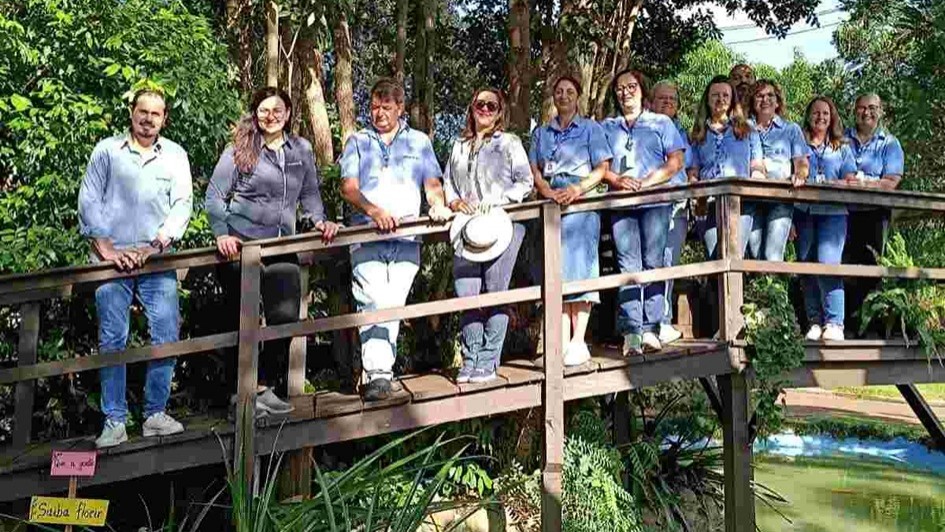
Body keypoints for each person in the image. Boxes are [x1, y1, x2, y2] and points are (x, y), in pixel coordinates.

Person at [206, 87, 339, 415]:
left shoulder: (301, 149)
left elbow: (309, 193)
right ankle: (238, 396)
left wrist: (319, 220)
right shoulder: (240, 148)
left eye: (277, 110)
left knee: (286, 318)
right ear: (255, 114)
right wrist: (222, 234)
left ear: (288, 113)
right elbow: (215, 195)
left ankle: (263, 387)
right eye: (264, 110)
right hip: (241, 245)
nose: (271, 116)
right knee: (241, 320)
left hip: (282, 244)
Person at [78, 89, 192, 448]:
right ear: (131, 112)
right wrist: (107, 249)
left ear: (164, 118)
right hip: (110, 262)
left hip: (155, 258)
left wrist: (154, 246)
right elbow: (89, 200)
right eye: (142, 111)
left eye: (155, 114)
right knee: (113, 338)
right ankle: (114, 420)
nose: (148, 119)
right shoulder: (107, 151)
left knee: (167, 332)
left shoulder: (175, 155)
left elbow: (182, 205)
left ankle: (155, 414)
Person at [340, 78, 451, 400]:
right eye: (374, 107)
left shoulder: (419, 142)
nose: (379, 113)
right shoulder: (358, 141)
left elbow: (432, 183)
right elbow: (348, 188)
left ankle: (380, 372)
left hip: (407, 237)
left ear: (400, 108)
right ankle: (378, 375)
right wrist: (374, 211)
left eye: (386, 107)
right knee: (372, 300)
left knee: (392, 303)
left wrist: (437, 205)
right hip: (366, 234)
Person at [443, 88, 533, 383]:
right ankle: (470, 358)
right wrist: (454, 202)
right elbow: (448, 184)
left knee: (496, 290)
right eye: (479, 104)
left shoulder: (509, 143)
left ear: (499, 112)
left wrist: (497, 200)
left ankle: (488, 359)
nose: (484, 109)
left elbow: (526, 182)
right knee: (466, 290)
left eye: (491, 106)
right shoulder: (459, 145)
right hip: (467, 227)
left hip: (503, 224)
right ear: (471, 108)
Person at [529, 75, 612, 366]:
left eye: (569, 92)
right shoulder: (541, 133)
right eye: (559, 91)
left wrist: (577, 189)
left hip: (581, 198)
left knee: (581, 267)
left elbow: (602, 168)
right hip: (551, 200)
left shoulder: (590, 128)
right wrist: (547, 191)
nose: (563, 96)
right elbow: (535, 169)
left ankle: (579, 340)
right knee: (557, 269)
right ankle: (561, 341)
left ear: (578, 97)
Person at [601, 71, 685, 355]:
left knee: (653, 262)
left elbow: (676, 162)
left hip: (655, 201)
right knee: (628, 265)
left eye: (632, 86)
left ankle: (651, 327)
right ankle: (631, 331)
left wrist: (646, 183)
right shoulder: (607, 127)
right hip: (621, 204)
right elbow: (599, 166)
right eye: (620, 88)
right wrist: (617, 181)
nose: (625, 92)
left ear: (642, 91)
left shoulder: (660, 122)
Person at [842, 93, 904, 335]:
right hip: (843, 212)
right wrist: (865, 181)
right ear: (854, 111)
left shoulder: (889, 143)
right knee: (843, 266)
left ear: (880, 111)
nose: (866, 112)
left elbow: (891, 181)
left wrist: (863, 183)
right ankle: (845, 325)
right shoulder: (842, 138)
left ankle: (869, 327)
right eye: (861, 107)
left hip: (875, 214)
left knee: (873, 268)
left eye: (872, 107)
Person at [796, 96, 856, 342]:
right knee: (806, 266)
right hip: (803, 213)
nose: (820, 117)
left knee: (828, 263)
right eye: (816, 112)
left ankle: (834, 322)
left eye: (825, 113)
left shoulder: (842, 147)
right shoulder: (799, 143)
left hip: (833, 213)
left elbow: (850, 178)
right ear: (808, 116)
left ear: (832, 118)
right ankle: (814, 321)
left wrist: (831, 184)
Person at [688, 75, 765, 259]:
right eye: (715, 95)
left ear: (732, 100)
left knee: (733, 254)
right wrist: (694, 192)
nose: (720, 99)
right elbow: (694, 170)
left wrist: (756, 179)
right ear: (707, 99)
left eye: (725, 95)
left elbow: (757, 164)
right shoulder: (698, 133)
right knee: (714, 257)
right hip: (708, 202)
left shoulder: (747, 128)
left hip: (741, 201)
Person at [747, 80, 809, 261]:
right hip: (751, 199)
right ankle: (762, 281)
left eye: (770, 95)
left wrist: (800, 174)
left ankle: (772, 280)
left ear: (778, 101)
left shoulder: (791, 129)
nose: (765, 100)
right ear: (752, 101)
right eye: (759, 96)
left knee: (772, 255)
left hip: (781, 198)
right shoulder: (745, 128)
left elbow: (801, 162)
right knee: (755, 254)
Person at [650, 81, 691, 345]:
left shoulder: (682, 133)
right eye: (662, 98)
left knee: (669, 262)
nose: (667, 103)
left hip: (678, 205)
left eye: (672, 99)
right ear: (650, 102)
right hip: (652, 204)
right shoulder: (645, 129)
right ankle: (653, 322)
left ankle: (663, 320)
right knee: (651, 262)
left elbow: (690, 168)